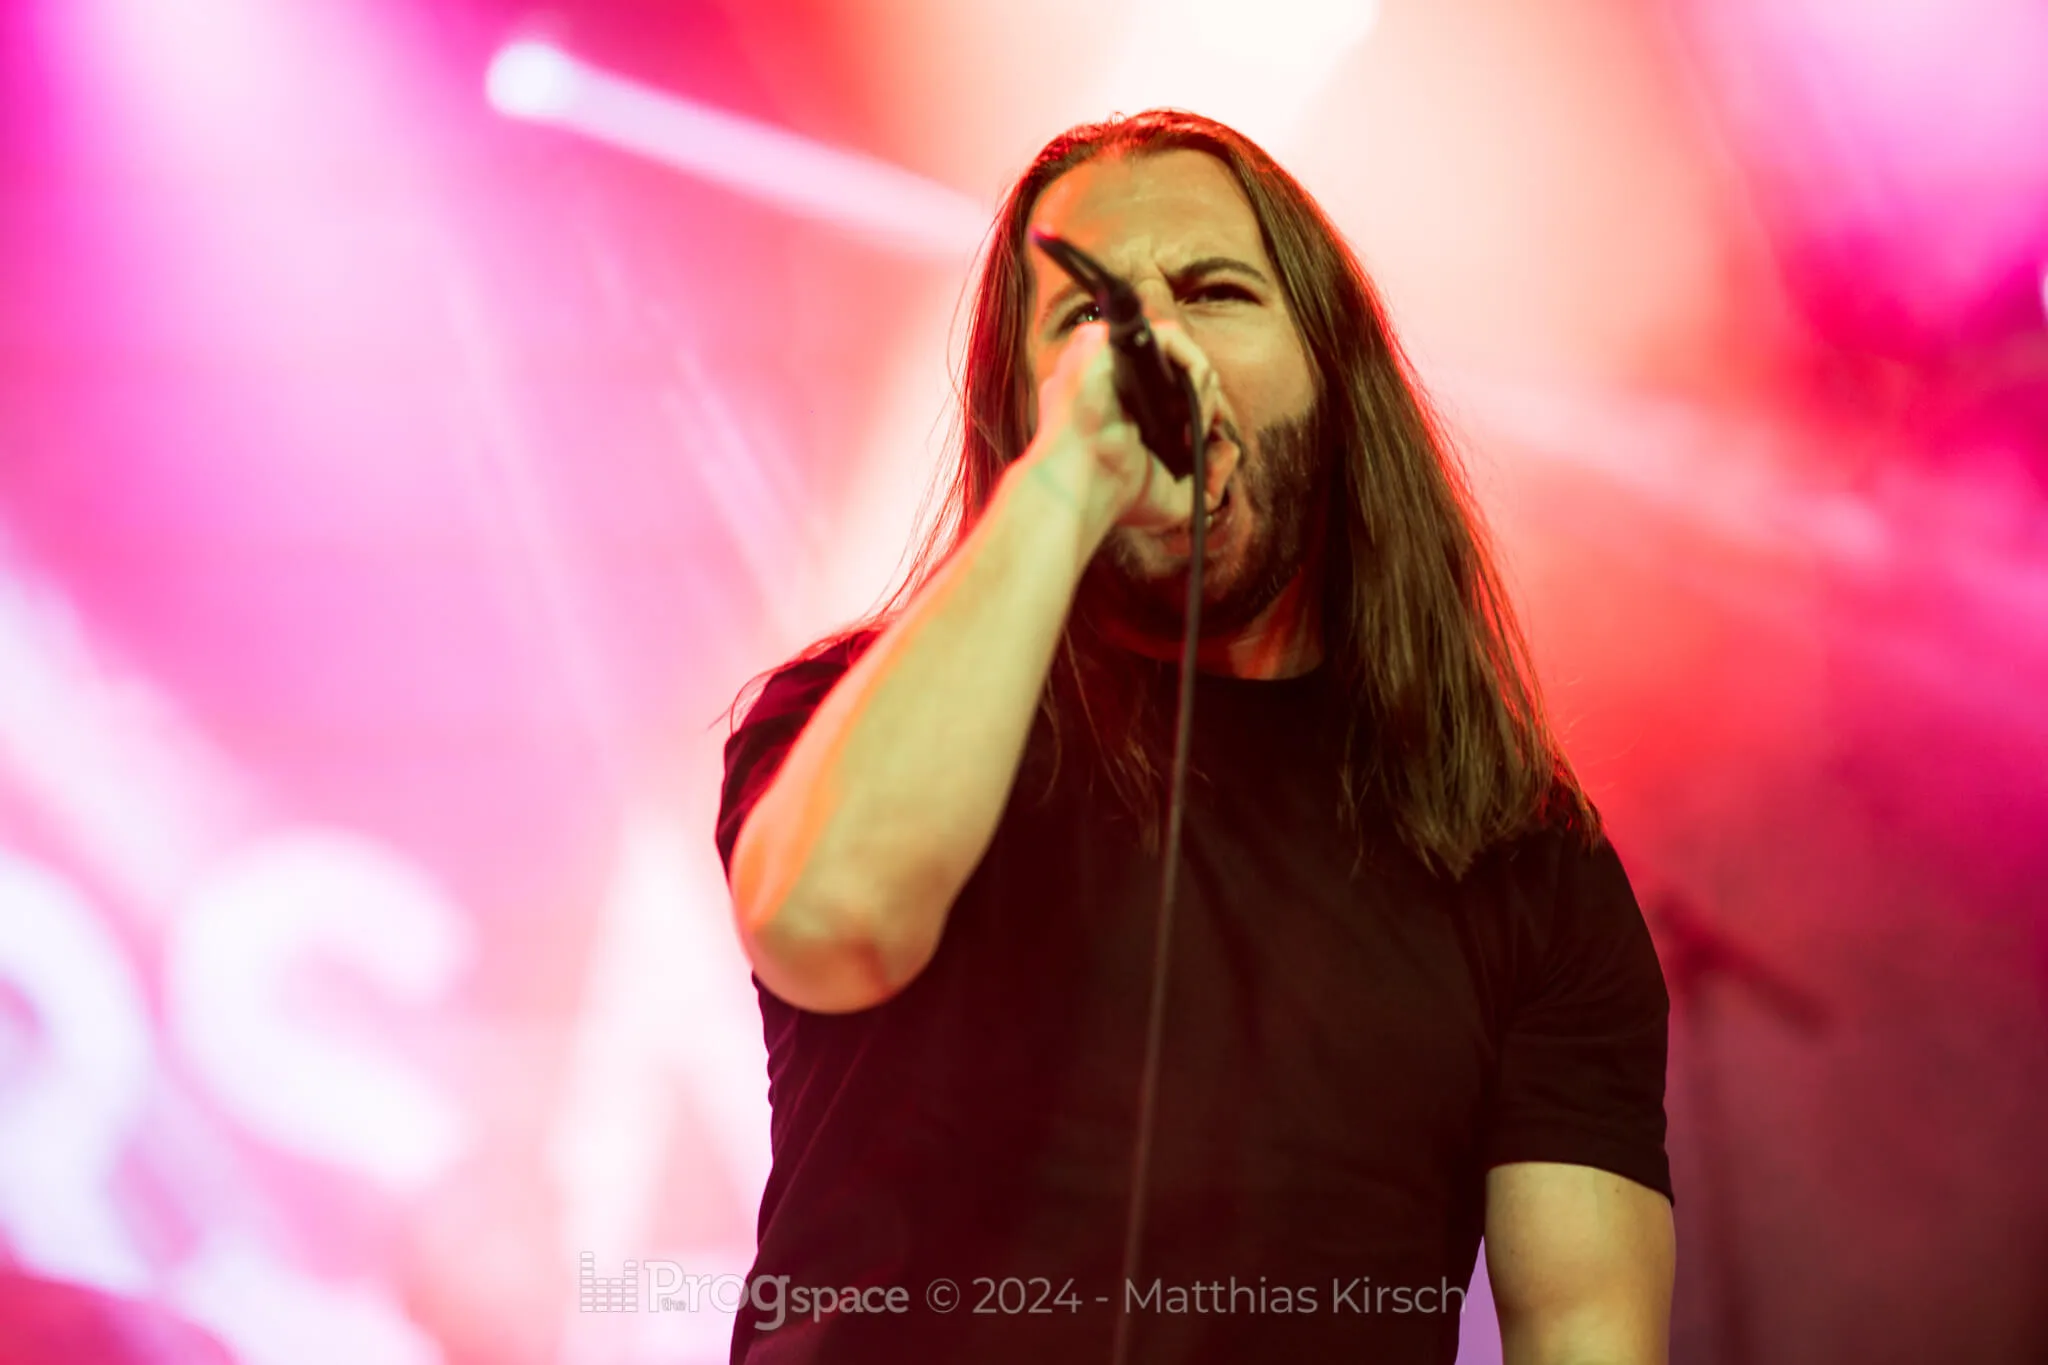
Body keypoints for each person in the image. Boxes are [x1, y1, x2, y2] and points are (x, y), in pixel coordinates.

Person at [714, 109, 1674, 1365]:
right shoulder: (844, 715)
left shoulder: (1517, 858)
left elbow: (1587, 1330)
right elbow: (827, 920)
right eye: (1083, 315)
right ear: (1021, 411)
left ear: (1333, 371)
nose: (1149, 343)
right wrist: (1070, 477)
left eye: (1213, 291)